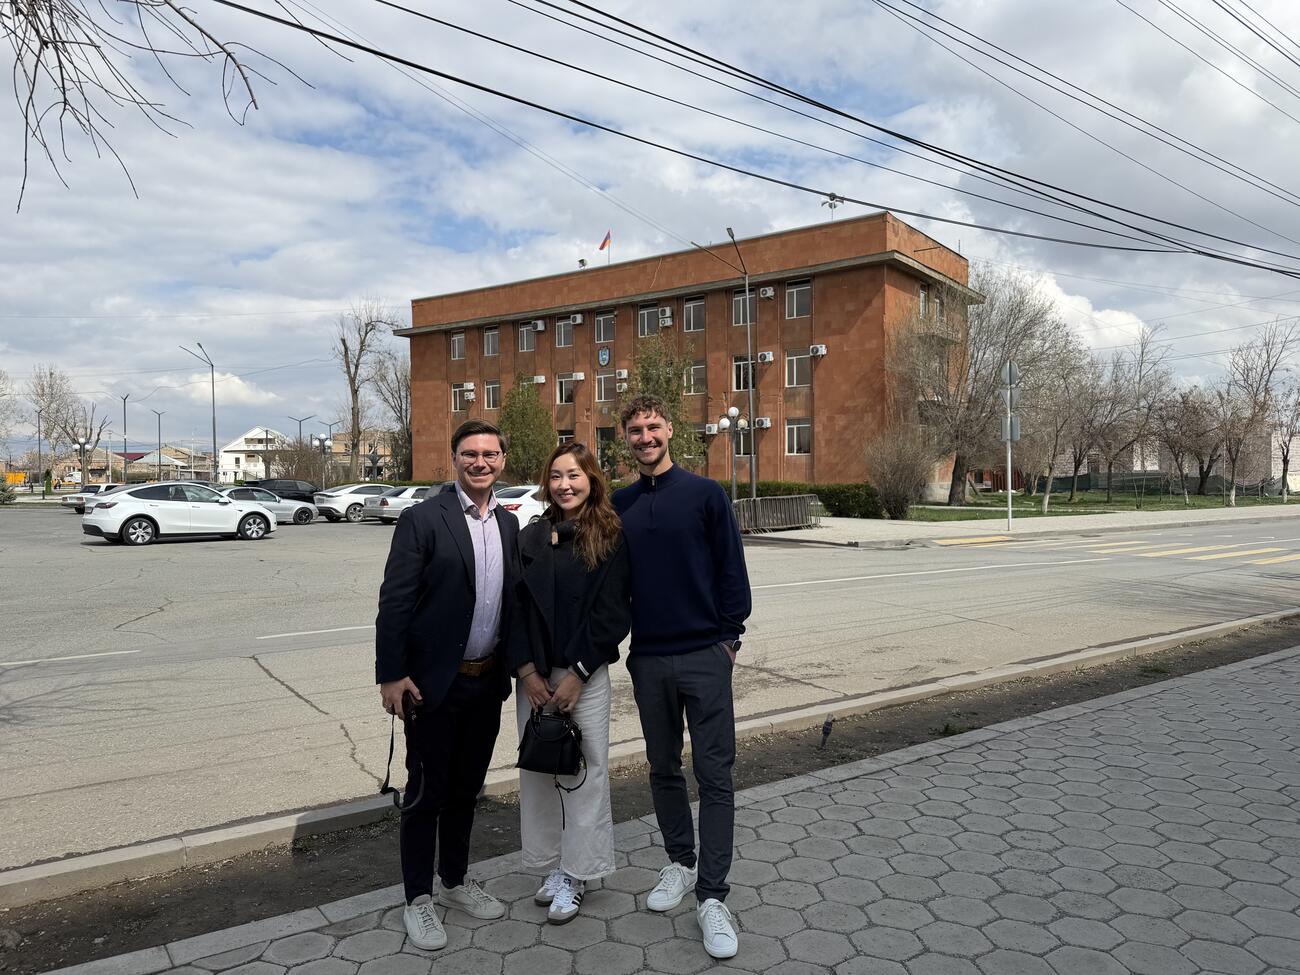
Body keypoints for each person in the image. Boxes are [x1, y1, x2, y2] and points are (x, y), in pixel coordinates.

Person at [612, 394, 752, 960]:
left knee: (714, 774)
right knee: (663, 768)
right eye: (635, 430)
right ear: (625, 438)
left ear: (670, 430)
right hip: (648, 658)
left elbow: (731, 568)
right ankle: (680, 864)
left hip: (704, 654)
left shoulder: (704, 495)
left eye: (653, 426)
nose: (645, 437)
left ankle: (713, 897)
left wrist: (728, 639)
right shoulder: (619, 504)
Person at [374, 419, 518, 951]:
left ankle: (454, 881)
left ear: (503, 460)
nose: (480, 462)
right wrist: (390, 673)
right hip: (432, 687)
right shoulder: (422, 519)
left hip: (486, 684)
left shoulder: (507, 523)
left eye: (490, 453)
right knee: (425, 793)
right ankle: (418, 898)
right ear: (454, 459)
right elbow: (395, 602)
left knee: (466, 789)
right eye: (469, 454)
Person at [507, 442, 631, 925]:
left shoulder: (610, 535)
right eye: (556, 475)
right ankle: (550, 867)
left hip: (585, 674)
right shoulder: (531, 537)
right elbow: (513, 608)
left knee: (584, 773)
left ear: (591, 479)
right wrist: (527, 673)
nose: (564, 484)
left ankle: (578, 873)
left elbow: (613, 612)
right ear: (546, 481)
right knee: (539, 772)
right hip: (534, 677)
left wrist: (578, 673)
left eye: (574, 475)